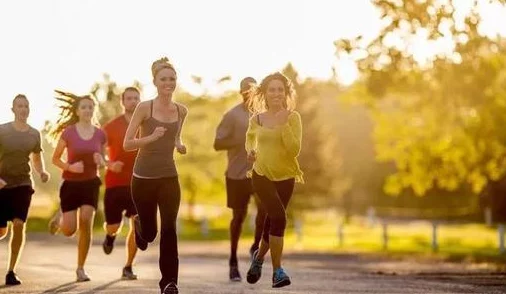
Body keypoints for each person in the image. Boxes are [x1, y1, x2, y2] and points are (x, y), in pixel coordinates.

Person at [123, 57, 188, 294]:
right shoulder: (144, 108)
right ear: (155, 82)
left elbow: (177, 136)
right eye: (163, 79)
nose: (168, 83)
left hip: (169, 176)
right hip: (143, 178)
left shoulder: (182, 110)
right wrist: (151, 137)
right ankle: (140, 224)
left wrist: (180, 145)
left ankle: (169, 282)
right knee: (150, 234)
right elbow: (127, 143)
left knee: (169, 228)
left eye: (172, 79)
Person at [244, 72, 303, 288]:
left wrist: (283, 123)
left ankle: (258, 260)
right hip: (261, 175)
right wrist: (250, 152)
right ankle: (278, 271)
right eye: (272, 90)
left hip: (286, 176)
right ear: (265, 93)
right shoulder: (256, 119)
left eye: (280, 90)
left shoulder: (293, 117)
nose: (276, 94)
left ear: (285, 93)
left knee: (273, 220)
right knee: (279, 216)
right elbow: (250, 140)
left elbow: (294, 150)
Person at [48, 90, 107, 282]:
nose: (88, 110)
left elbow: (103, 159)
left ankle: (80, 268)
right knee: (69, 230)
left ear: (93, 110)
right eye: (84, 107)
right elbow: (55, 159)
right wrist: (70, 167)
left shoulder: (100, 134)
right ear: (77, 111)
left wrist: (102, 160)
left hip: (90, 183)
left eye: (91, 107)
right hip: (71, 184)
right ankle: (60, 218)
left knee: (86, 220)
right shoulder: (69, 132)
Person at [213, 77, 267, 282]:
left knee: (265, 208)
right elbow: (217, 143)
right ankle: (233, 261)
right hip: (236, 174)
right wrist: (242, 139)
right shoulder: (232, 115)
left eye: (253, 90)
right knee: (239, 216)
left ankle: (255, 246)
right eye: (246, 90)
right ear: (241, 92)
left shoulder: (265, 115)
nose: (249, 94)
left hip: (260, 171)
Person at [0, 94, 50, 286]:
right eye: (19, 106)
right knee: (1, 231)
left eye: (26, 106)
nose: (23, 109)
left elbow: (36, 158)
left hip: (23, 184)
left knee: (19, 224)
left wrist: (42, 172)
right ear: (13, 110)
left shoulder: (34, 134)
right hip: (2, 184)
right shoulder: (2, 131)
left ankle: (11, 271)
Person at [101, 87, 141, 280]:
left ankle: (128, 266)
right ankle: (110, 236)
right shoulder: (111, 126)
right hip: (114, 183)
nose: (133, 101)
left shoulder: (146, 125)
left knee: (137, 223)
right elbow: (97, 152)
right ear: (123, 102)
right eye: (129, 98)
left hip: (138, 183)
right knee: (113, 226)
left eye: (136, 98)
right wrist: (109, 163)